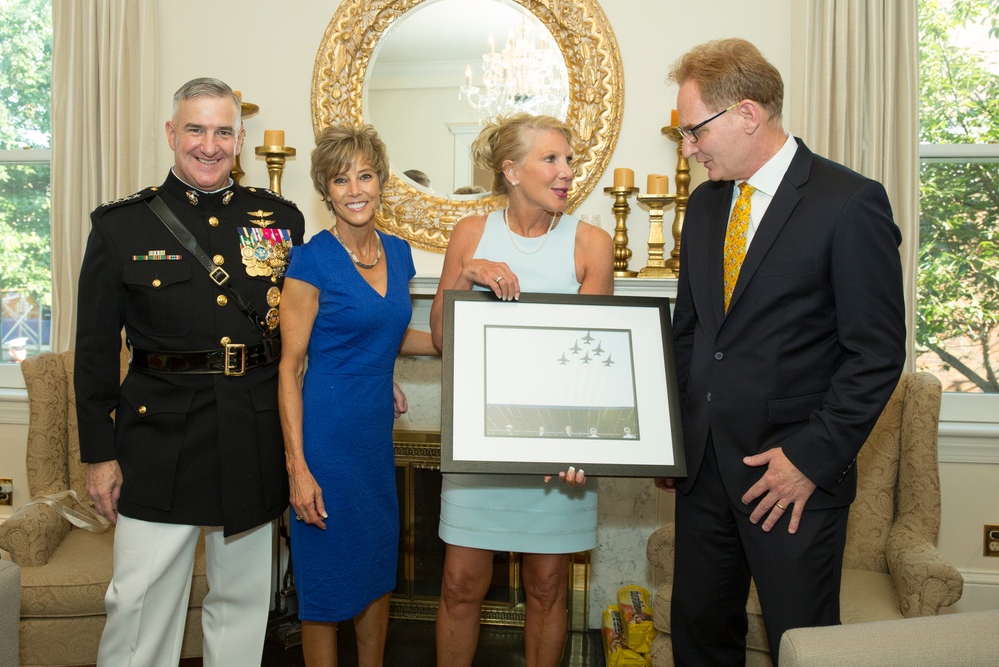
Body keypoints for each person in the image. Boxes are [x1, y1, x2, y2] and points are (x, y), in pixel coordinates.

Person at [659, 39, 906, 665]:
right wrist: (671, 436)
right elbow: (690, 332)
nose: (687, 148)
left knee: (802, 647)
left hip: (788, 481)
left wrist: (810, 460)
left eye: (692, 131)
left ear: (746, 114)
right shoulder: (708, 203)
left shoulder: (849, 203)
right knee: (700, 639)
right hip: (705, 475)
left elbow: (874, 355)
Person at [75, 77, 305, 666]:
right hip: (160, 437)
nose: (210, 145)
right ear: (172, 134)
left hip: (251, 431)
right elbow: (96, 351)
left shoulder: (280, 221)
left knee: (243, 602)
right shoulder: (120, 226)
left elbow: (302, 332)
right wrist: (99, 455)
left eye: (222, 131)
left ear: (241, 139)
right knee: (140, 604)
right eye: (196, 129)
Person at [429, 112, 614, 667]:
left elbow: (594, 365)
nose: (566, 172)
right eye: (551, 159)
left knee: (548, 586)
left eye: (569, 160)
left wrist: (580, 445)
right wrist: (468, 272)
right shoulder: (470, 233)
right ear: (511, 170)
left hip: (555, 451)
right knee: (460, 584)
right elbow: (442, 338)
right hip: (480, 443)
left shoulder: (591, 244)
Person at [278, 124, 436, 666]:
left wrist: (465, 340)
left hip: (372, 441)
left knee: (375, 572)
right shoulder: (311, 260)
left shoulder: (400, 252)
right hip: (325, 438)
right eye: (340, 179)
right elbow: (290, 365)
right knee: (324, 585)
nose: (355, 189)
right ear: (325, 189)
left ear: (381, 181)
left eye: (364, 174)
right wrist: (298, 468)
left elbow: (388, 333)